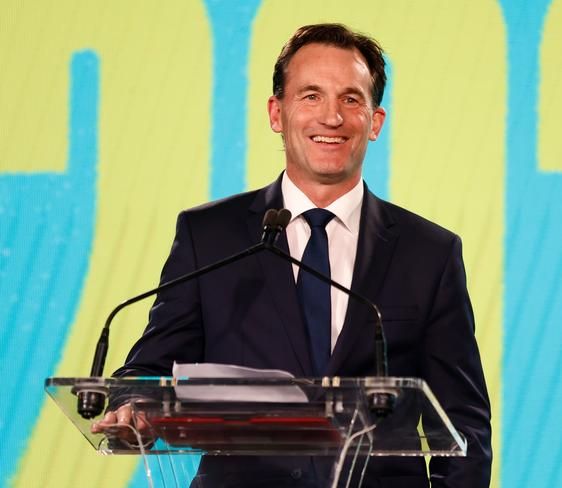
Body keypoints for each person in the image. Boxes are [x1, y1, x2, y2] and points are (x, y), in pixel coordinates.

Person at [93, 23, 491, 487]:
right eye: (310, 96)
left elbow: (465, 426)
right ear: (276, 113)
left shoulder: (430, 253)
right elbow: (147, 371)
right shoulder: (211, 236)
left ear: (375, 121)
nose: (332, 117)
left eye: (351, 99)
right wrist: (135, 404)